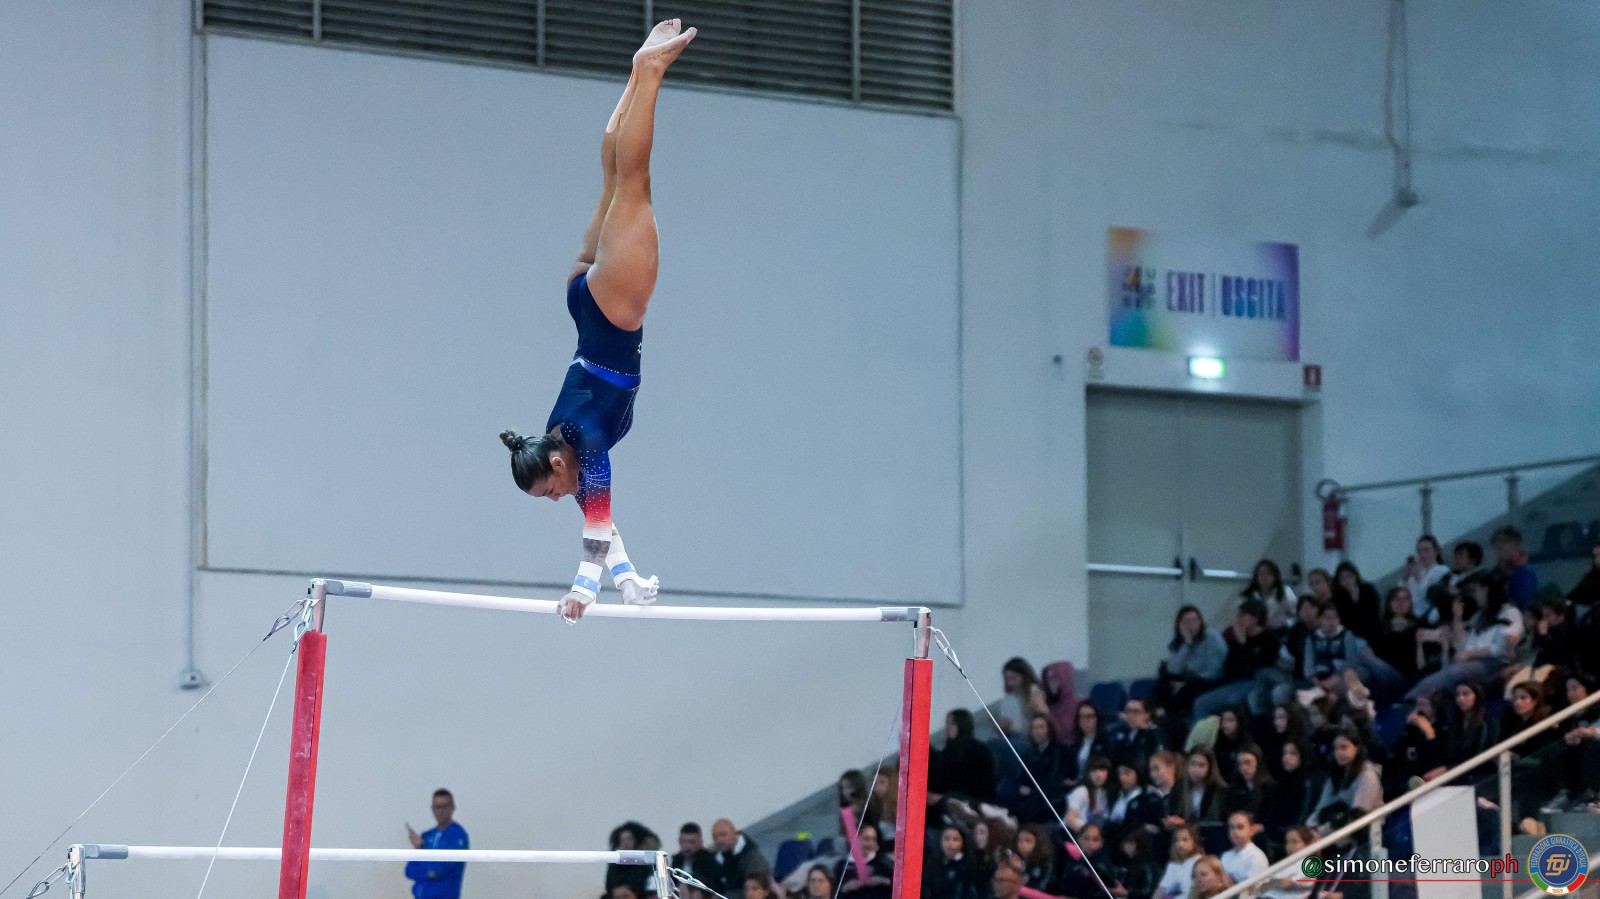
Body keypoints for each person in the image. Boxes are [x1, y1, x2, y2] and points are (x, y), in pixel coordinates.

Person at [498, 19, 700, 622]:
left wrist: (584, 589)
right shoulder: (561, 441)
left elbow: (597, 517)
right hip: (583, 301)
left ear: (557, 466)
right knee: (614, 181)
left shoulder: (584, 441)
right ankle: (636, 74)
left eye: (549, 490)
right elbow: (598, 514)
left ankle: (649, 72)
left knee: (634, 181)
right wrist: (626, 577)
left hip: (614, 312)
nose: (554, 498)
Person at [1406, 573, 1523, 701]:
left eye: (1478, 591)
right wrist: (1457, 618)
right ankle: (1411, 699)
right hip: (1473, 661)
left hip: (1494, 663)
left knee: (1454, 672)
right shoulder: (1478, 617)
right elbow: (1464, 646)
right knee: (1435, 675)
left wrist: (1470, 654)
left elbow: (1500, 648)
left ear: (1486, 591)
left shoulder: (1510, 613)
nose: (1476, 595)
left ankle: (1414, 699)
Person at [1193, 602, 1280, 719]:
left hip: (1254, 683)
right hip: (1232, 681)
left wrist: (1243, 645)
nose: (1238, 619)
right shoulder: (1239, 637)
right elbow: (1229, 666)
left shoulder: (1270, 639)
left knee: (1201, 704)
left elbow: (1257, 668)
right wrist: (1238, 643)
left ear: (1255, 618)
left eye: (1242, 615)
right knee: (1196, 691)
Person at [1151, 606, 1227, 721]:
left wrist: (1187, 681)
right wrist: (1187, 644)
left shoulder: (1211, 636)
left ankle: (1165, 711)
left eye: (1194, 620)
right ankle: (1150, 709)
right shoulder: (1180, 641)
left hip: (1210, 679)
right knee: (1164, 679)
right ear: (1179, 625)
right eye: (1186, 622)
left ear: (1201, 622)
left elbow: (1216, 669)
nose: (1191, 625)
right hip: (1190, 678)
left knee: (1192, 685)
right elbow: (1173, 670)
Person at [929, 709, 998, 816]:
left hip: (976, 802)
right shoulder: (949, 750)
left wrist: (948, 797)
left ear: (962, 725)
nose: (947, 727)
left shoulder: (978, 751)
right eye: (947, 723)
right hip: (953, 801)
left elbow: (980, 786)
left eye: (951, 723)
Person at [1006, 713, 1071, 823]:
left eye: (1041, 727)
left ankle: (1016, 817)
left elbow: (1054, 776)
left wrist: (1032, 790)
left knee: (1043, 791)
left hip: (1052, 793)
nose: (1037, 731)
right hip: (1032, 792)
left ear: (1049, 729)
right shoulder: (1030, 753)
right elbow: (1022, 776)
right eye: (1034, 728)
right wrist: (1020, 787)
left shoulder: (1060, 751)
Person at [1308, 731, 1381, 829]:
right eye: (1336, 748)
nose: (1338, 752)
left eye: (1344, 747)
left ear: (1357, 748)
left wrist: (1321, 831)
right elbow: (1321, 807)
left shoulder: (1368, 775)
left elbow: (1358, 814)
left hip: (1361, 829)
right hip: (1332, 826)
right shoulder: (1336, 774)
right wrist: (1310, 828)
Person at [405, 789, 468, 899]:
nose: (441, 811)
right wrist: (427, 873)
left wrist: (422, 848)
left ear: (452, 807)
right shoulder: (426, 836)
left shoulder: (458, 835)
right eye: (437, 807)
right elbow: (409, 870)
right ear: (432, 809)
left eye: (445, 806)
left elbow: (439, 870)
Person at [707, 819, 772, 899]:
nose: (719, 840)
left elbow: (756, 890)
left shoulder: (752, 857)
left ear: (734, 834)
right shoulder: (715, 859)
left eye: (723, 835)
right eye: (715, 837)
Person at [996, 658, 1051, 740]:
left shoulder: (1035, 692)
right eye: (1007, 679)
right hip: (1014, 735)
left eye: (1014, 678)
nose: (1010, 683)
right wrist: (1003, 726)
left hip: (1032, 737)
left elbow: (1043, 720)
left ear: (1024, 676)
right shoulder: (1007, 699)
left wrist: (1012, 726)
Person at [834, 822, 893, 898]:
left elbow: (898, 886)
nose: (870, 843)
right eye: (866, 839)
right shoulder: (842, 866)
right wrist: (846, 887)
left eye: (873, 839)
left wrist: (883, 881)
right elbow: (835, 892)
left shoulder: (884, 862)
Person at [1371, 586, 1420, 677]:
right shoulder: (1380, 625)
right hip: (1383, 671)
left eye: (1405, 599)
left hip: (1407, 673)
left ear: (1410, 603)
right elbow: (1376, 651)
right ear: (1389, 603)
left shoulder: (1417, 623)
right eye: (1396, 599)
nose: (1400, 603)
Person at [1112, 699, 1169, 776]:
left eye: (1135, 712)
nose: (1131, 716)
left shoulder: (1156, 735)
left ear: (1147, 715)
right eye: (1128, 711)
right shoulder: (1124, 734)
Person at [1402, 535, 1452, 622]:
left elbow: (1429, 597)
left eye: (1426, 550)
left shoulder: (1441, 570)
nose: (1422, 555)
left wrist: (1418, 579)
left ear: (1436, 551)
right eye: (1419, 551)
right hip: (1410, 615)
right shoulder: (1417, 571)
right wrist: (1407, 576)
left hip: (1430, 617)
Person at [606, 821, 661, 897]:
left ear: (635, 841)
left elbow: (644, 885)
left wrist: (629, 891)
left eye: (629, 839)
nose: (626, 843)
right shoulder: (614, 864)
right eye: (623, 840)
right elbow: (609, 885)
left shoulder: (644, 865)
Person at [926, 826, 983, 899]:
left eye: (955, 839)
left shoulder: (969, 868)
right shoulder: (933, 865)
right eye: (946, 839)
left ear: (962, 843)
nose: (950, 843)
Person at [1238, 559, 1297, 631]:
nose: (1264, 577)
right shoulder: (1248, 595)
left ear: (1275, 576)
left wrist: (1288, 625)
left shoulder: (1285, 592)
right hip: (1255, 632)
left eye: (1268, 574)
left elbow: (1296, 614)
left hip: (1280, 631)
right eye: (1261, 574)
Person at [1331, 562, 1381, 643]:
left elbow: (1374, 611)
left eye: (1349, 576)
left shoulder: (1368, 589)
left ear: (1355, 576)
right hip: (1353, 636)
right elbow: (1344, 620)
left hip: (1373, 630)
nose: (1347, 580)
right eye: (1343, 578)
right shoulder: (1337, 597)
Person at [1066, 702, 1116, 783]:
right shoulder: (1075, 743)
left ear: (1097, 718)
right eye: (1081, 717)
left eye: (1089, 716)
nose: (1085, 720)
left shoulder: (1106, 742)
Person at [1175, 748, 1227, 826]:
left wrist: (1185, 824)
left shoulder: (1220, 791)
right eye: (1193, 764)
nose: (1196, 769)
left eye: (1201, 765)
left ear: (1210, 768)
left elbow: (1220, 822)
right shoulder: (1179, 787)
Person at [1152, 824, 1203, 899]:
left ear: (1194, 842)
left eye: (1185, 840)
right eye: (1176, 840)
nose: (1180, 844)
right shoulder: (1174, 864)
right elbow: (1163, 888)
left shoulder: (1200, 862)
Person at [1492, 527, 1538, 609]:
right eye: (1497, 549)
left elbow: (1521, 603)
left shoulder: (1524, 571)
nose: (1498, 553)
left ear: (1515, 545)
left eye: (1500, 547)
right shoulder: (1500, 572)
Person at [1066, 755, 1116, 830]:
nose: (1098, 775)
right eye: (1094, 770)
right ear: (1088, 773)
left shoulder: (1104, 794)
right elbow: (1070, 819)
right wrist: (1088, 831)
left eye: (1102, 770)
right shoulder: (1080, 791)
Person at [1218, 811, 1268, 885]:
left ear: (1251, 830)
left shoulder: (1256, 856)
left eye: (1240, 827)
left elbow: (1252, 888)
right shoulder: (1226, 856)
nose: (1235, 831)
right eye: (1232, 827)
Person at [1043, 661, 1081, 743]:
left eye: (1054, 678)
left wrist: (1045, 712)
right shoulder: (1049, 704)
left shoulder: (1079, 707)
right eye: (1048, 679)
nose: (1050, 683)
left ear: (1065, 679)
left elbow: (1062, 733)